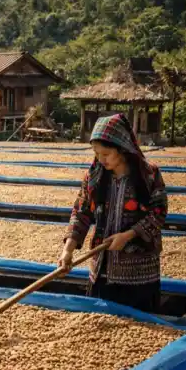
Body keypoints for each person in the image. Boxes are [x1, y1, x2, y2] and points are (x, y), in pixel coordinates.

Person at [59, 113, 168, 313]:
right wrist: (68, 250)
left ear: (122, 149)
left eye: (106, 154)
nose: (101, 160)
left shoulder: (149, 175)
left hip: (139, 275)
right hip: (102, 272)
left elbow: (158, 214)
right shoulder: (94, 176)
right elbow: (81, 212)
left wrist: (128, 235)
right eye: (96, 154)